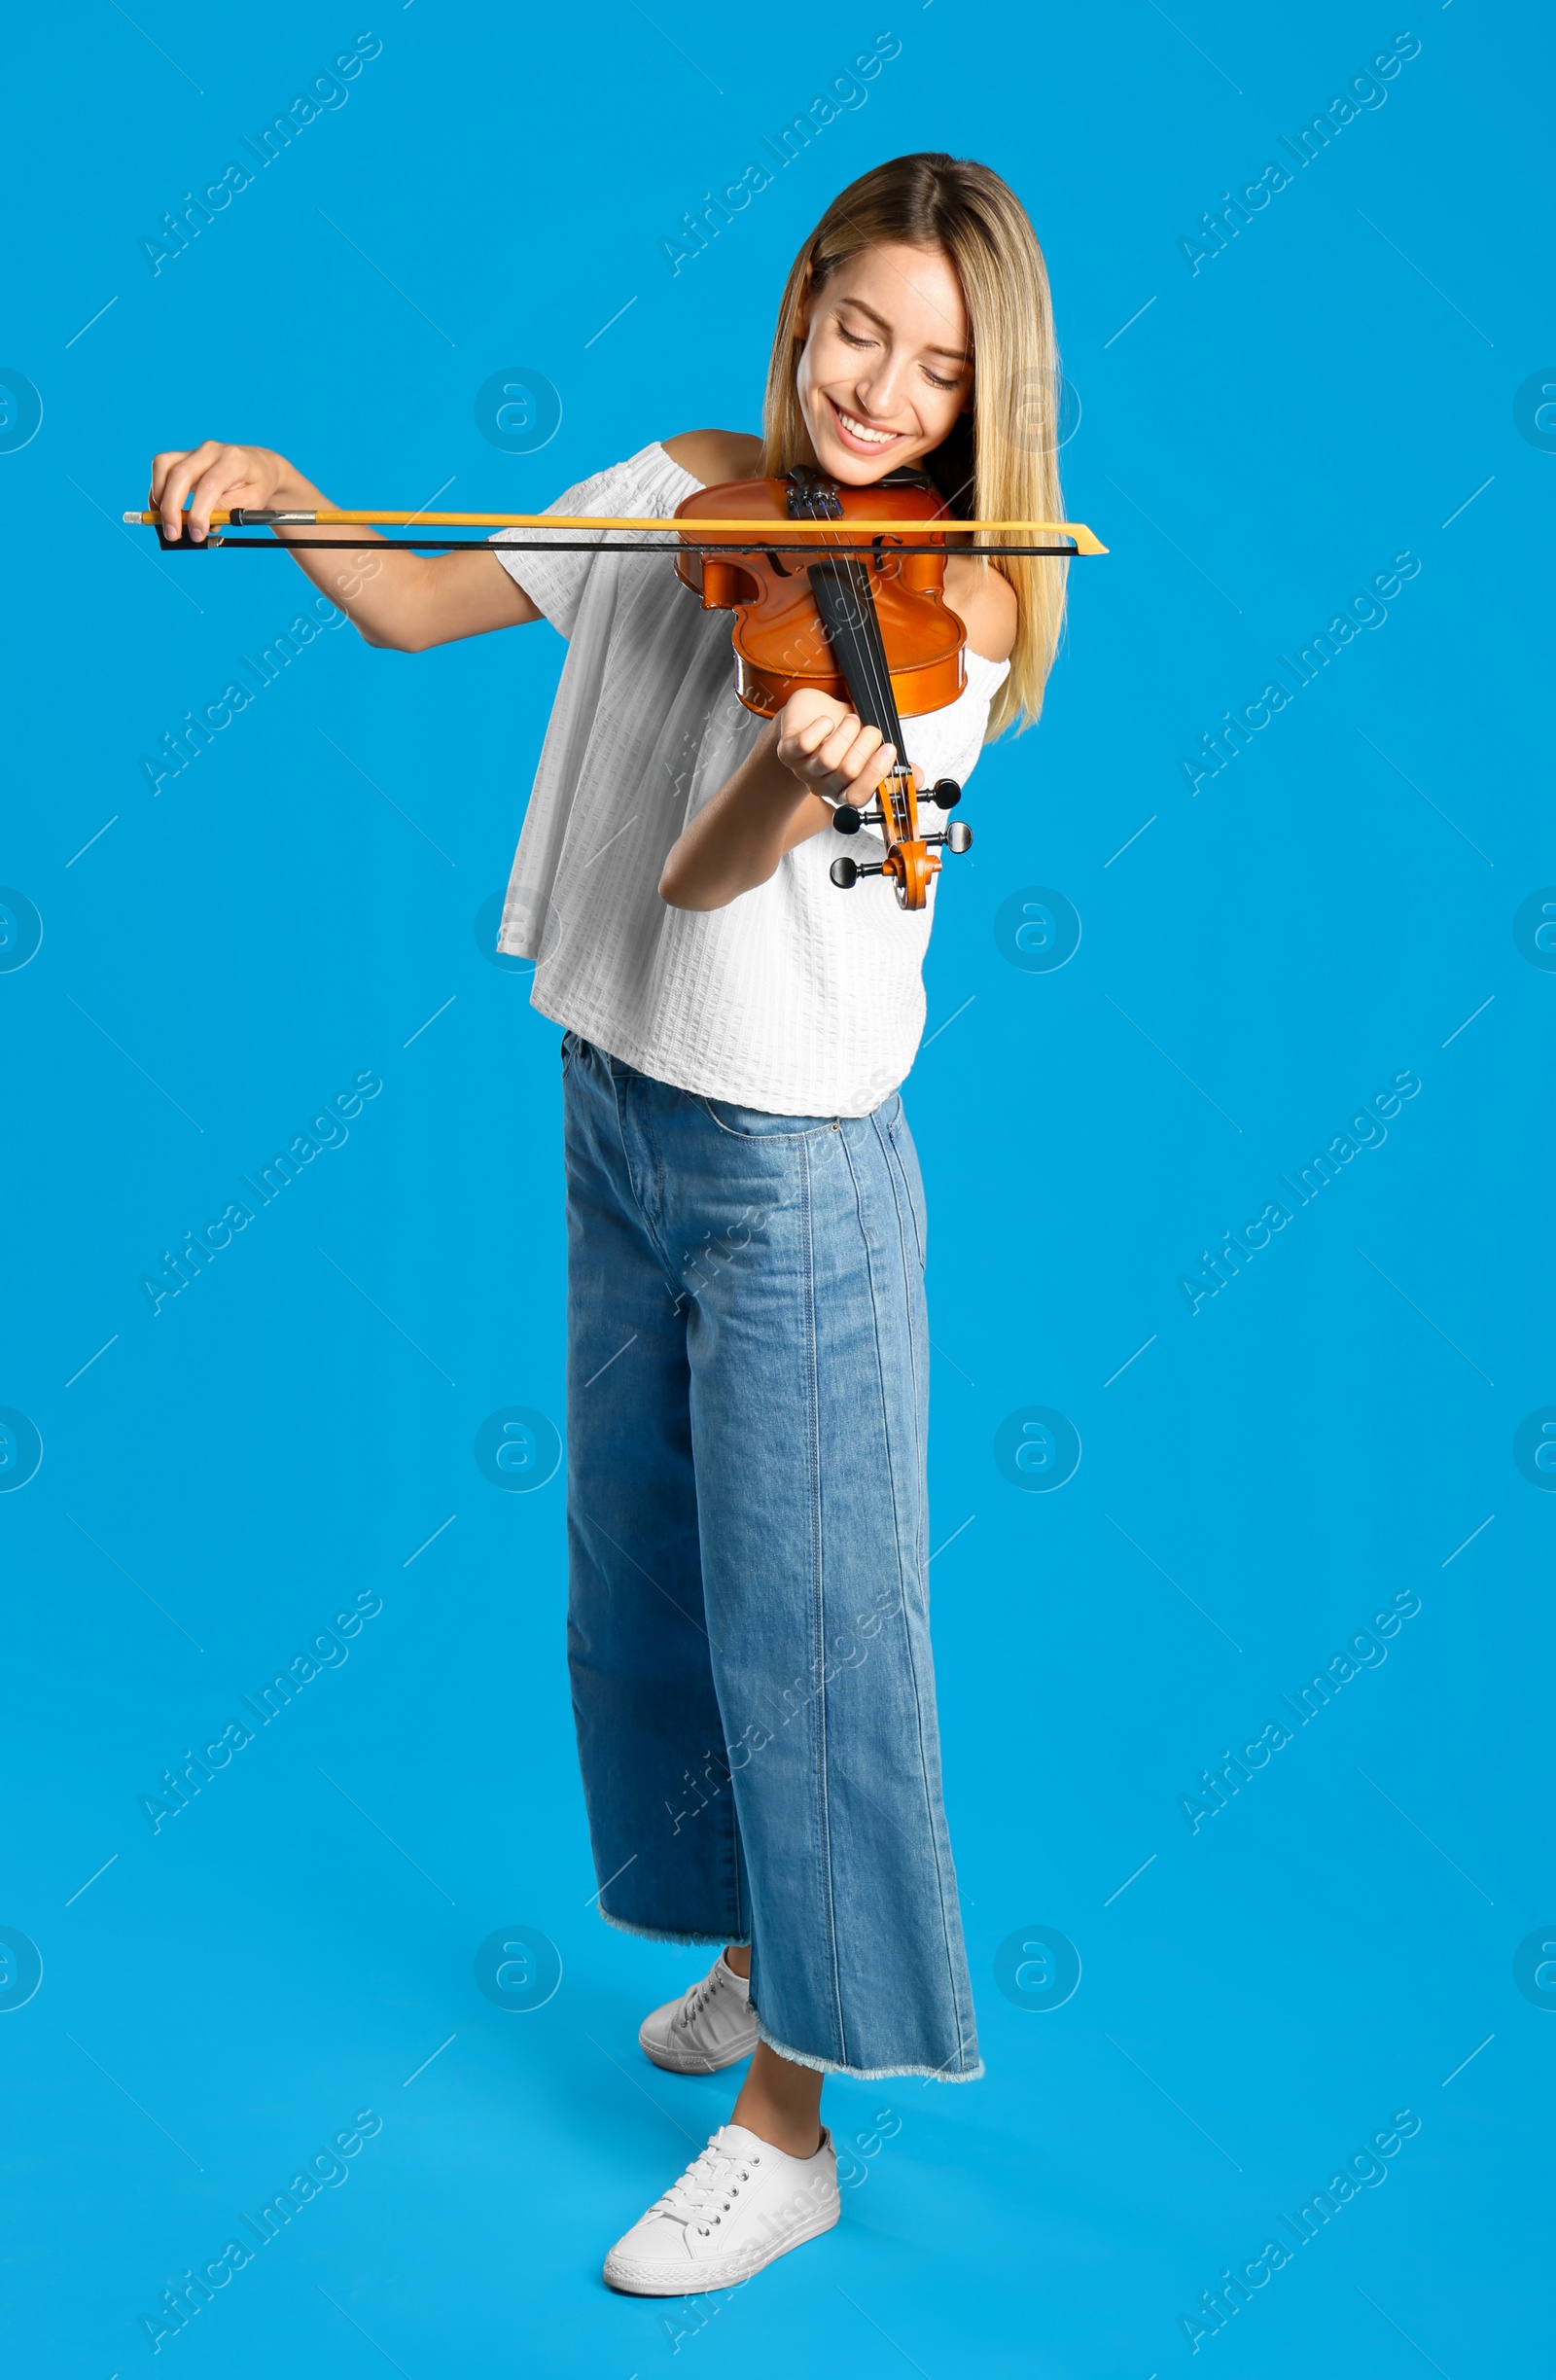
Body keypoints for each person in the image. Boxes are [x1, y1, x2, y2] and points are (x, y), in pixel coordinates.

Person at [148, 150, 1069, 2297]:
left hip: (790, 1177)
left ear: (982, 401)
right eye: (856, 329)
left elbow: (706, 870)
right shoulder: (679, 488)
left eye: (935, 370)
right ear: (801, 304)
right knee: (645, 1587)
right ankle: (759, 1967)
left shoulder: (965, 607)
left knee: (813, 1637)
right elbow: (409, 603)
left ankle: (795, 2125)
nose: (878, 394)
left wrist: (806, 749)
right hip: (615, 1111)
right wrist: (287, 491)